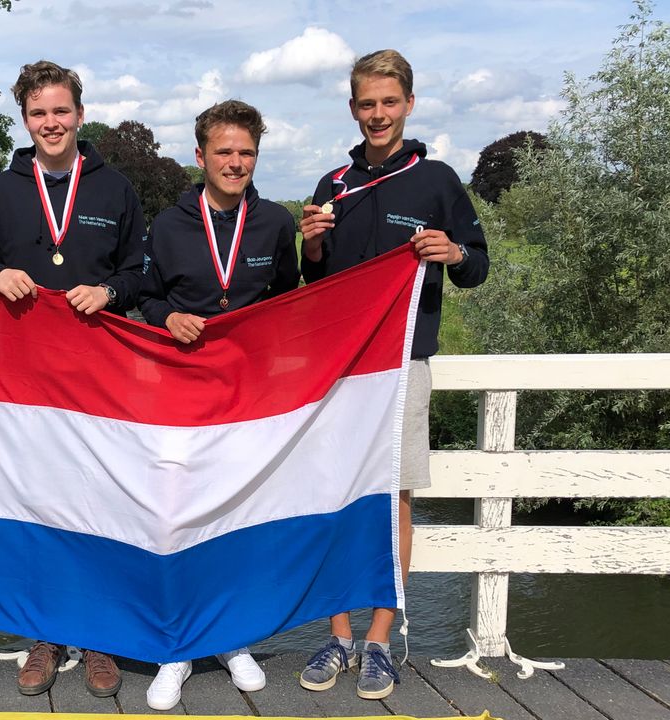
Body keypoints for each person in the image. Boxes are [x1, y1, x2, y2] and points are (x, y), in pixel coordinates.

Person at [296, 49, 489, 700]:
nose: (377, 114)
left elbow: (477, 267)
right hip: (340, 370)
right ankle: (339, 635)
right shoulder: (332, 185)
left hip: (404, 365)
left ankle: (380, 639)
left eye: (388, 102)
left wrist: (454, 251)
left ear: (409, 103)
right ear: (353, 109)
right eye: (366, 103)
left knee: (395, 502)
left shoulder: (436, 179)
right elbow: (313, 284)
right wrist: (313, 246)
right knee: (335, 498)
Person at [0, 60, 146, 698]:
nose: (52, 123)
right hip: (27, 382)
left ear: (80, 114)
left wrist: (110, 289)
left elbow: (141, 274)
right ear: (25, 119)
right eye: (39, 113)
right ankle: (45, 634)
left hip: (100, 376)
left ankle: (98, 636)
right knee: (37, 506)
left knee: (100, 506)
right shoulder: (0, 190)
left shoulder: (115, 188)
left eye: (61, 111)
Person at [136, 99, 298, 709]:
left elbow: (288, 303)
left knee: (238, 517)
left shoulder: (276, 223)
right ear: (200, 156)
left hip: (249, 395)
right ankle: (176, 647)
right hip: (178, 390)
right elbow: (146, 298)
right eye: (224, 152)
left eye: (246, 152)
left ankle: (231, 640)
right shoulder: (169, 224)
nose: (236, 163)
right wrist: (167, 314)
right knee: (177, 518)